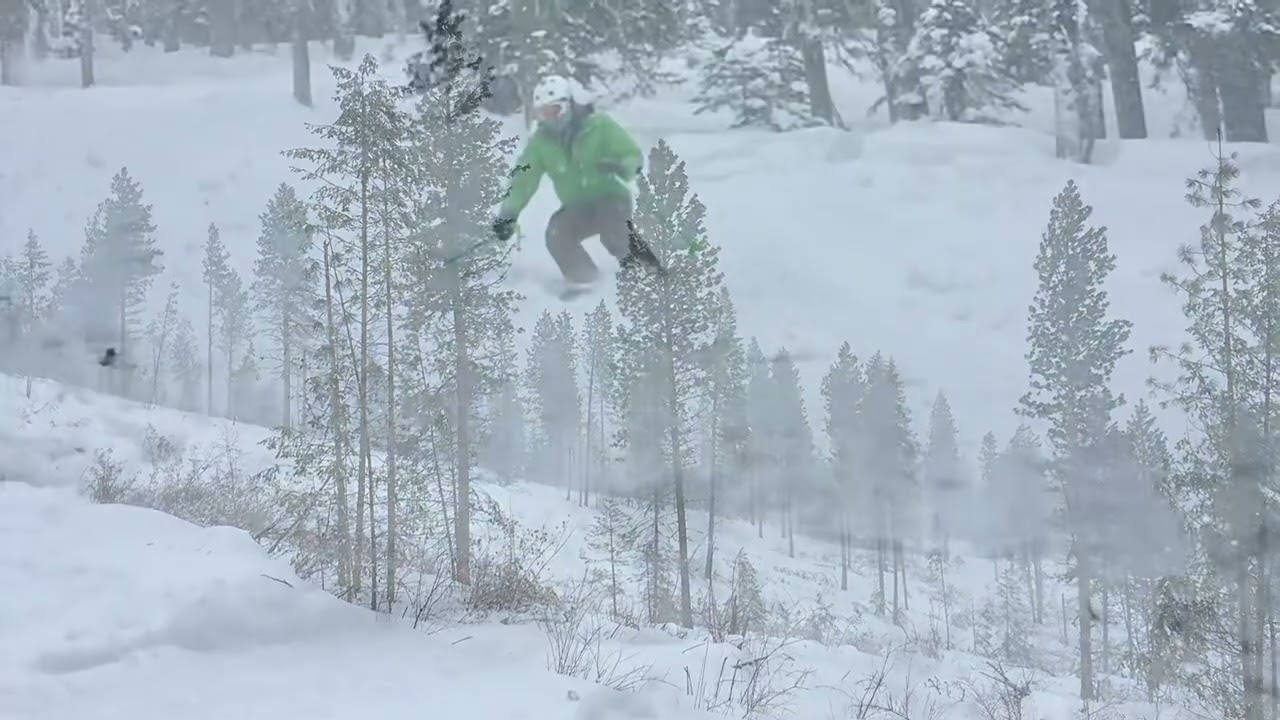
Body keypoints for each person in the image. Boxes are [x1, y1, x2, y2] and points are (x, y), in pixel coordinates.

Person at [492, 74, 657, 284]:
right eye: (543, 114)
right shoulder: (541, 143)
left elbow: (632, 154)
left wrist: (621, 165)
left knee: (614, 231)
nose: (549, 118)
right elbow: (523, 179)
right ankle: (586, 282)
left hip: (611, 197)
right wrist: (509, 213)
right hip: (578, 207)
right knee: (557, 233)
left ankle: (650, 276)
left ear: (568, 106)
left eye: (554, 111)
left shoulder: (599, 126)